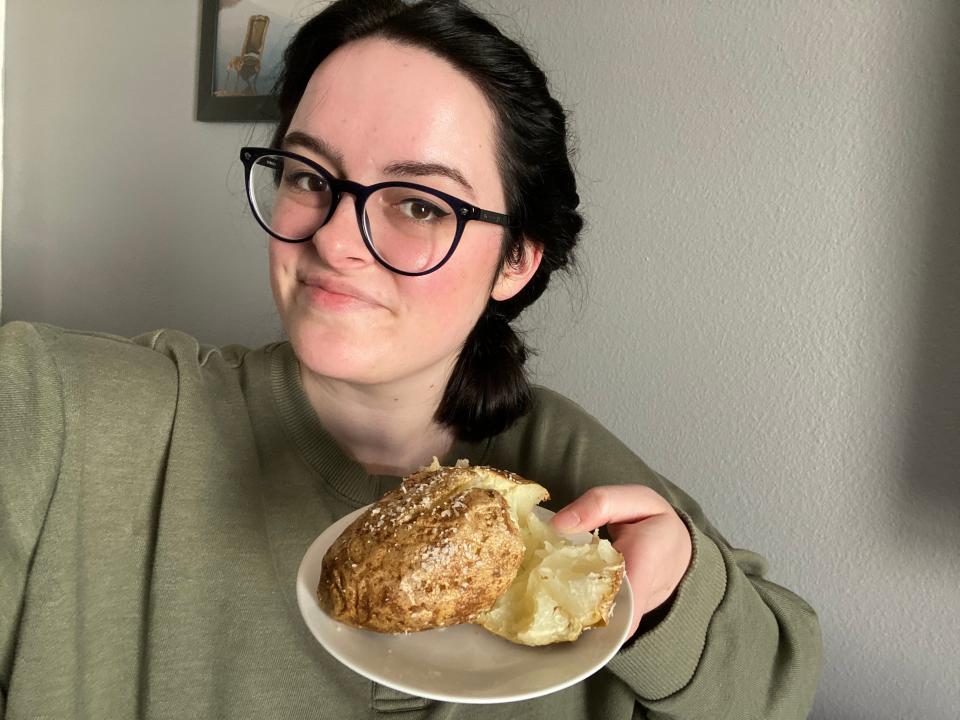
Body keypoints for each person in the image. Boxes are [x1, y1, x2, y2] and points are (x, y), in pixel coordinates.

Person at [0, 0, 821, 717]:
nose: (331, 238)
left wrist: (672, 601)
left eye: (420, 203)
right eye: (309, 175)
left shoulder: (572, 476)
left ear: (516, 262)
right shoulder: (64, 413)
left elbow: (771, 687)